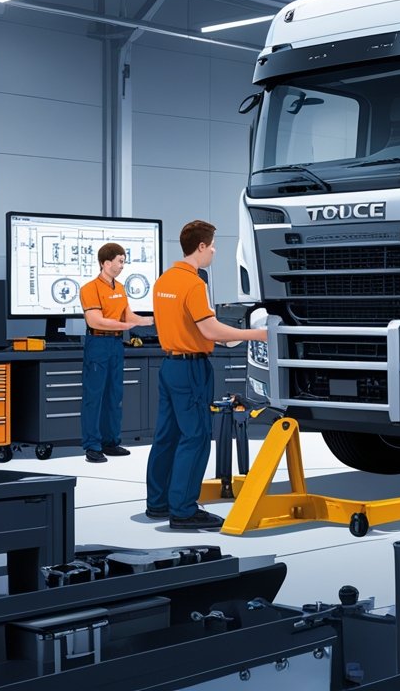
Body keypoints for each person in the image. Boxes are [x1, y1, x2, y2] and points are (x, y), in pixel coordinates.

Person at [146, 220, 268, 530]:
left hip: (170, 366)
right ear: (200, 247)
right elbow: (209, 329)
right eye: (212, 245)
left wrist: (232, 334)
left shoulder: (164, 281)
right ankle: (184, 510)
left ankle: (158, 503)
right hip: (191, 368)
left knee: (166, 436)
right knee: (197, 437)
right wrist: (256, 334)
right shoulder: (194, 283)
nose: (214, 251)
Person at [79, 242, 149, 463]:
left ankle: (110, 442)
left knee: (114, 395)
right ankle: (92, 445)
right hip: (98, 344)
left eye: (124, 261)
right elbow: (95, 320)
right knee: (94, 396)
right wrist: (124, 327)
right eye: (120, 261)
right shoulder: (89, 289)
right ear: (106, 262)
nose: (122, 266)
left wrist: (155, 321)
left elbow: (129, 317)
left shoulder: (119, 288)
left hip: (116, 346)